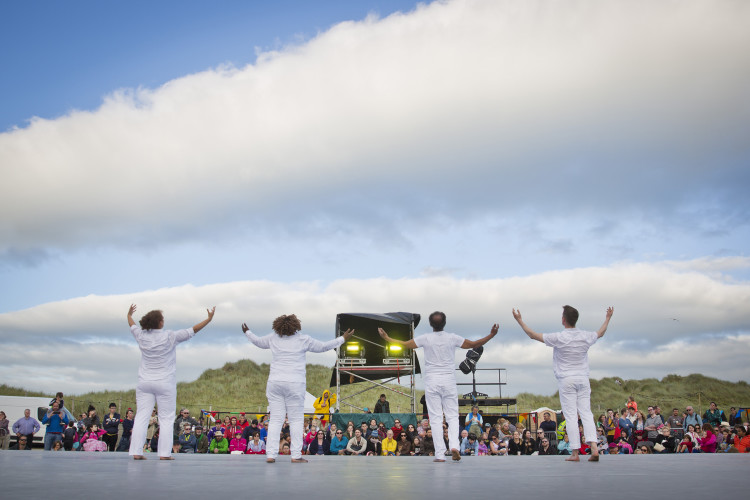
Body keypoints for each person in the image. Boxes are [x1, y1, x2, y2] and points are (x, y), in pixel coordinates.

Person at [379, 312, 499, 462]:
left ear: (430, 324)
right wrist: (491, 335)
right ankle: (454, 445)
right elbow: (475, 344)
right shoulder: (452, 338)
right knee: (453, 417)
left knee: (435, 419)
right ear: (445, 323)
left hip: (432, 382)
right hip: (448, 381)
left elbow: (404, 344)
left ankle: (440, 455)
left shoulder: (426, 338)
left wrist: (387, 338)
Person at [242, 314, 353, 463]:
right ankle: (295, 455)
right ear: (296, 326)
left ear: (278, 326)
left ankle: (271, 455)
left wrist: (247, 332)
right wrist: (342, 339)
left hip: (275, 383)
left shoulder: (273, 338)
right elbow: (323, 346)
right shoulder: (303, 339)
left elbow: (258, 342)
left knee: (275, 420)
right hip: (295, 384)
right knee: (295, 420)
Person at [513, 305, 613, 462]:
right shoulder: (585, 336)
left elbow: (532, 335)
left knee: (571, 415)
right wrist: (607, 318)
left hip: (567, 380)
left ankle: (575, 453)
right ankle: (594, 447)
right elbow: (600, 333)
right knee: (586, 413)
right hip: (583, 379)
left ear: (563, 319)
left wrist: (519, 320)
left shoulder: (559, 337)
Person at [127, 304, 216, 460]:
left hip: (144, 382)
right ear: (160, 322)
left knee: (141, 416)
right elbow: (192, 330)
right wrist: (208, 320)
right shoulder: (170, 336)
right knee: (167, 418)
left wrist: (128, 314)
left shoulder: (141, 335)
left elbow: (132, 324)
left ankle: (136, 451)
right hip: (165, 383)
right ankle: (164, 454)